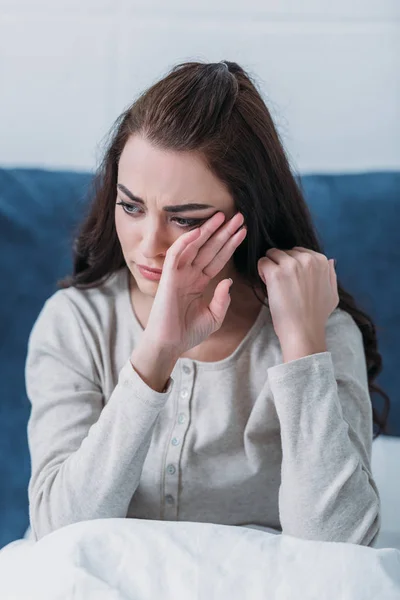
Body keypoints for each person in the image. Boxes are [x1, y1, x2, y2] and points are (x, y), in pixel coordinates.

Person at [25, 60, 389, 546]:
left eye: (184, 219)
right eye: (130, 206)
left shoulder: (316, 326)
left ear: (246, 214)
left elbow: (340, 546)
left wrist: (302, 348)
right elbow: (59, 536)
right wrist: (156, 354)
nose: (148, 244)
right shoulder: (76, 323)